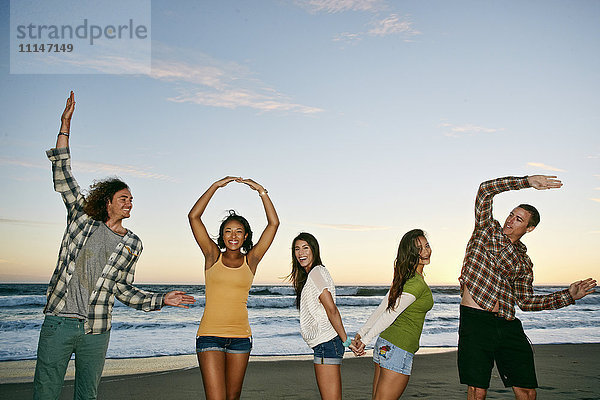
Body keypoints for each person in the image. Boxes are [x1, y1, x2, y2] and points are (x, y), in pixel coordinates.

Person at [34, 91, 196, 400]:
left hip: (97, 330)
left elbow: (123, 290)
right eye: (124, 198)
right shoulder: (82, 217)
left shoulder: (132, 243)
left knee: (87, 395)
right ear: (107, 201)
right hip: (58, 322)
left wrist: (162, 299)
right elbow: (63, 173)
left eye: (132, 199)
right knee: (45, 392)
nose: (130, 203)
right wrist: (65, 123)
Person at [458, 175, 597, 400]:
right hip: (476, 321)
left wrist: (569, 295)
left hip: (507, 325)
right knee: (477, 389)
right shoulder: (486, 231)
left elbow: (527, 301)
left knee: (526, 389)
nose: (510, 220)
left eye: (519, 219)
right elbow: (485, 190)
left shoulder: (524, 262)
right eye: (511, 215)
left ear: (529, 228)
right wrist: (526, 182)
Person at [188, 177, 279, 400]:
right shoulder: (212, 256)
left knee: (233, 397)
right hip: (209, 336)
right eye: (228, 231)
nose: (233, 236)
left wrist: (261, 191)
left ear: (245, 236)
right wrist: (214, 187)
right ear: (222, 235)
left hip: (240, 337)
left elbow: (273, 224)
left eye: (238, 231)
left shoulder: (252, 260)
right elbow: (193, 217)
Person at [352, 229, 434, 399]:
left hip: (385, 346)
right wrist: (364, 340)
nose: (425, 251)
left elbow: (384, 306)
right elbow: (390, 312)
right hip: (398, 349)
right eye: (419, 249)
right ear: (410, 253)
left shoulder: (405, 277)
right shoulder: (416, 283)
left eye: (426, 246)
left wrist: (362, 333)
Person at [288, 232, 352, 400]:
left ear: (314, 250)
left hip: (327, 342)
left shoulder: (316, 273)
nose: (301, 253)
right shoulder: (315, 274)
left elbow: (331, 309)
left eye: (305, 248)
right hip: (326, 343)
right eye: (297, 249)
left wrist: (346, 340)